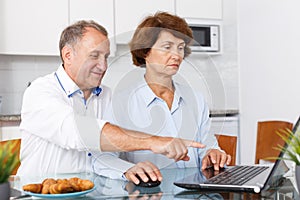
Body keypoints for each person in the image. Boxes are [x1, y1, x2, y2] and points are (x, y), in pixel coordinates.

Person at [16, 20, 205, 176]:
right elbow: (80, 132)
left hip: (93, 192)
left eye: (106, 57)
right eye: (94, 56)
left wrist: (127, 169)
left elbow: (106, 155)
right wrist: (154, 141)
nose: (103, 66)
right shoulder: (40, 91)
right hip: (41, 193)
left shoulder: (107, 95)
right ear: (68, 55)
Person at [94, 12, 231, 184]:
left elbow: (207, 145)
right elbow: (102, 158)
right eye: (167, 47)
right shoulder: (120, 103)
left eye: (180, 47)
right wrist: (128, 169)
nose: (176, 55)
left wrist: (213, 153)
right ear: (146, 52)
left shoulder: (196, 99)